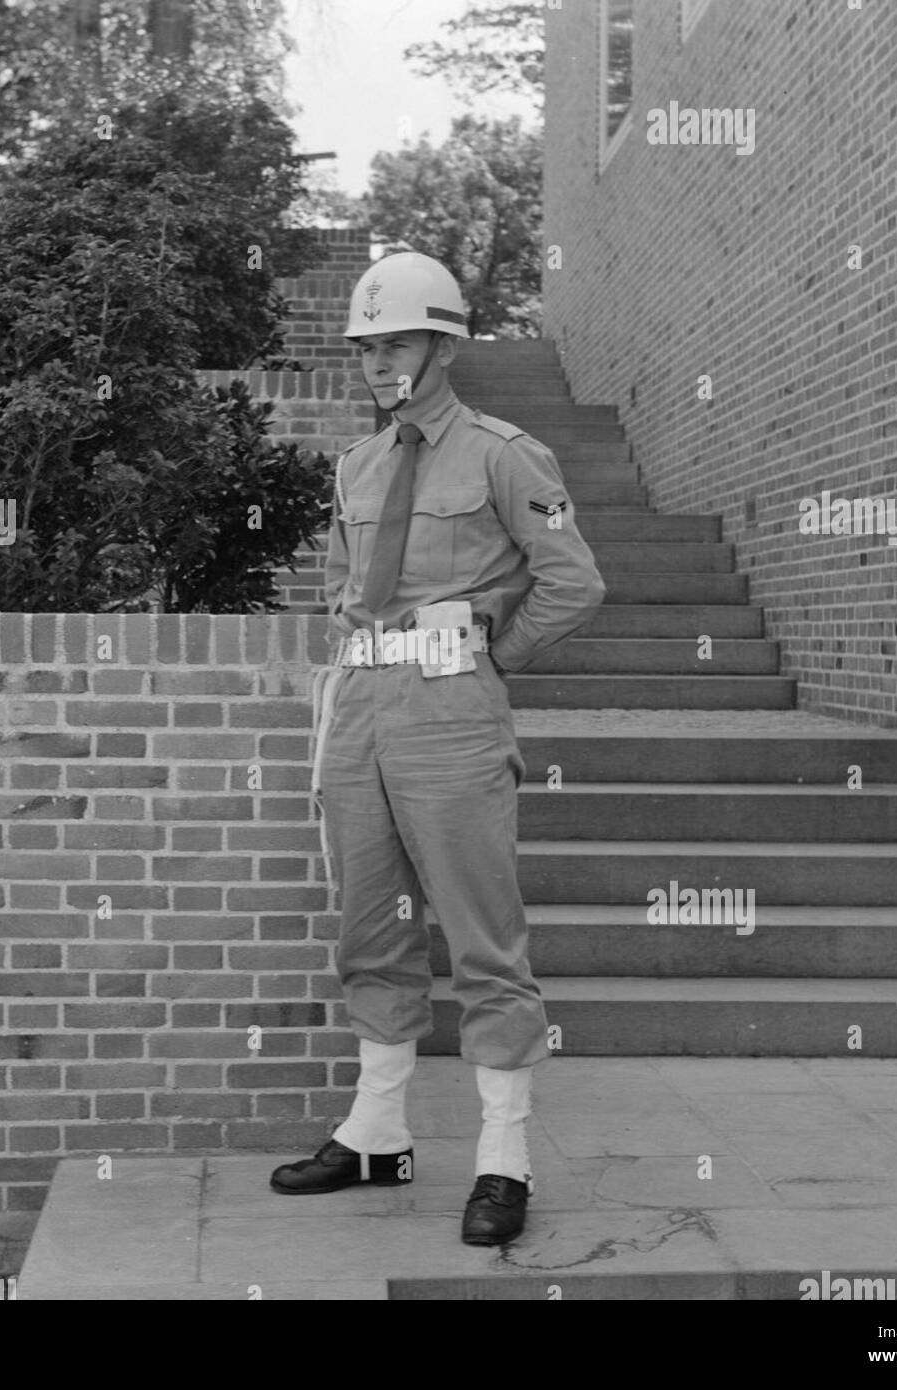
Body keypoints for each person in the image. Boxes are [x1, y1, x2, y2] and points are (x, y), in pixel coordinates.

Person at [269, 252, 606, 1245]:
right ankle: (377, 1132)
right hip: (362, 705)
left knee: (480, 934)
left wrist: (489, 645)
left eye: (400, 343)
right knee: (369, 929)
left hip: (451, 709)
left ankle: (504, 1157)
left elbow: (571, 580)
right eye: (368, 347)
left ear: (444, 346)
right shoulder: (357, 465)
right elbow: (344, 591)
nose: (381, 363)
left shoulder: (505, 453)